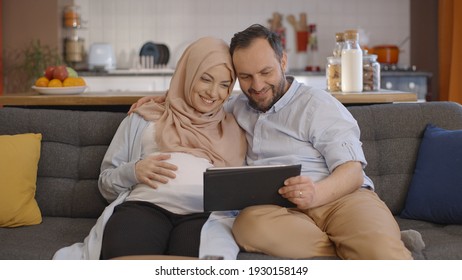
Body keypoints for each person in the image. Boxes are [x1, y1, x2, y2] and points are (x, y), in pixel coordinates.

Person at [131, 24, 412, 260]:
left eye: (266, 73)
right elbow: (200, 101)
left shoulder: (317, 104)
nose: (257, 85)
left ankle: (374, 243)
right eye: (245, 77)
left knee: (382, 255)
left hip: (340, 199)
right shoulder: (237, 106)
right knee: (246, 226)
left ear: (283, 62)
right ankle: (354, 246)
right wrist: (166, 100)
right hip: (281, 211)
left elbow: (353, 171)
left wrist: (317, 193)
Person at [52, 37, 246, 259]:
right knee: (124, 257)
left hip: (205, 215)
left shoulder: (234, 125)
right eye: (205, 79)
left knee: (202, 261)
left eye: (224, 85)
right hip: (144, 207)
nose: (213, 93)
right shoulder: (145, 116)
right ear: (187, 74)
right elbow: (105, 182)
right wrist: (133, 171)